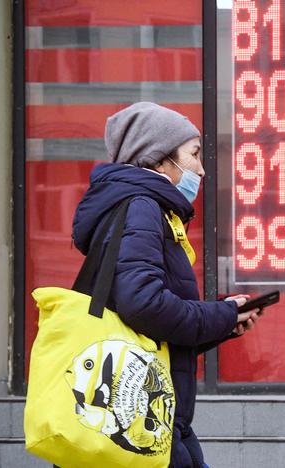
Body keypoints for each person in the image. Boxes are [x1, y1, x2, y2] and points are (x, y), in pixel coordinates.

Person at [70, 102, 260, 468]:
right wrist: (220, 313)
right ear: (160, 162)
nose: (202, 169)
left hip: (151, 421)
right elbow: (142, 304)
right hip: (144, 424)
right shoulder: (142, 206)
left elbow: (150, 333)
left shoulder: (138, 207)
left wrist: (226, 320)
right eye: (193, 154)